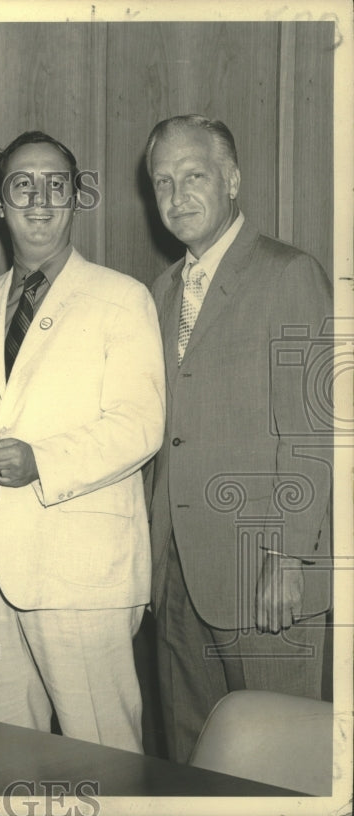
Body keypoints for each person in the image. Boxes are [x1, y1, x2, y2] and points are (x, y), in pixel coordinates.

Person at [0, 131, 165, 752]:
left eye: (56, 184)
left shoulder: (122, 298)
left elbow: (140, 423)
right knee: (7, 759)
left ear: (76, 197)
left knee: (105, 756)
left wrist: (42, 461)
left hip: (81, 575)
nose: (39, 198)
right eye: (22, 184)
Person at [144, 114, 333, 763]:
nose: (177, 195)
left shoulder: (290, 275)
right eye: (162, 182)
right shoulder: (163, 292)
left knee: (277, 764)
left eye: (194, 175)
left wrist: (288, 558)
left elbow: (316, 430)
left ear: (233, 179)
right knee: (193, 762)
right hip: (178, 581)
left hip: (264, 578)